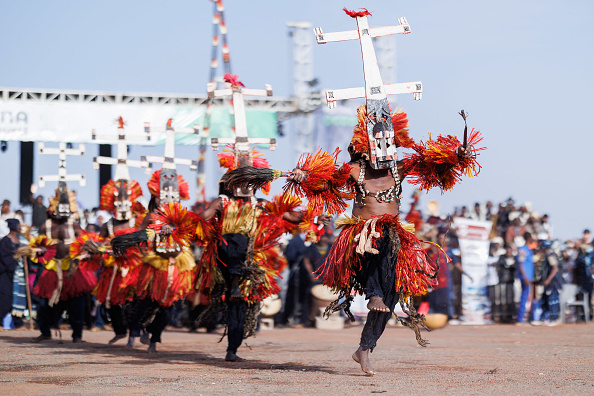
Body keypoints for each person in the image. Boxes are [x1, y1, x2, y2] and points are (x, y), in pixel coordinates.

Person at [304, 104, 481, 375]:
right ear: (364, 146)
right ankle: (374, 294)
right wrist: (305, 176)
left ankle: (364, 349)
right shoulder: (354, 171)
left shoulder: (399, 169)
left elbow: (431, 162)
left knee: (391, 296)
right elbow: (324, 180)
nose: (383, 151)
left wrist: (457, 154)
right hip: (362, 237)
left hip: (395, 239)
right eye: (377, 145)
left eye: (388, 145)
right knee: (380, 239)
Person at [0, 219, 21, 328]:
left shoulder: (20, 239)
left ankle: (18, 322)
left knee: (19, 298)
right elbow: (4, 258)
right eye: (18, 225)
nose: (20, 227)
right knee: (5, 297)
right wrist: (15, 257)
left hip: (19, 275)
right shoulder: (5, 241)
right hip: (6, 274)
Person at [516, 232, 535, 324]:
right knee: (524, 297)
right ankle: (520, 319)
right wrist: (525, 277)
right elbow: (521, 264)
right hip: (525, 278)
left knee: (527, 297)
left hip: (529, 277)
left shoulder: (529, 249)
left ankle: (523, 317)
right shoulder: (523, 249)